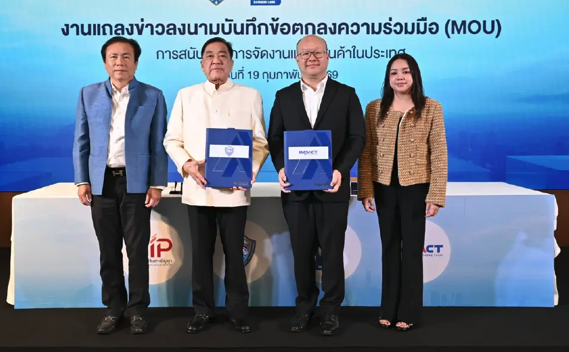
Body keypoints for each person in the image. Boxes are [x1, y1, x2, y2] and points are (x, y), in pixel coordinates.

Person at [164, 36, 269, 334]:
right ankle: (202, 310)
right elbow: (172, 140)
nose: (216, 60)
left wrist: (249, 171)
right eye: (210, 55)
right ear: (202, 64)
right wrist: (186, 164)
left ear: (232, 63)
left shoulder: (250, 95)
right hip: (198, 190)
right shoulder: (186, 95)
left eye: (223, 55)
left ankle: (238, 312)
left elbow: (260, 142)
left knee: (236, 255)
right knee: (201, 254)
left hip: (235, 191)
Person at [267, 35, 365, 336]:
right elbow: (274, 138)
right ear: (297, 59)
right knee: (302, 252)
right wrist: (281, 167)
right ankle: (304, 308)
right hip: (296, 191)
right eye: (305, 53)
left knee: (332, 253)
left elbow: (357, 138)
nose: (312, 57)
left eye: (318, 52)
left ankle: (331, 310)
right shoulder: (283, 96)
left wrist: (340, 170)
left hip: (332, 188)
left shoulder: (346, 94)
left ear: (328, 57)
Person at [73, 36, 168, 334]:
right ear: (105, 63)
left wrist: (157, 183)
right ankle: (114, 308)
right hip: (101, 183)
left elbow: (158, 144)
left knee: (137, 250)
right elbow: (81, 141)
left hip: (136, 183)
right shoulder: (88, 94)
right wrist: (82, 180)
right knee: (108, 250)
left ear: (136, 63)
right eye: (113, 57)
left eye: (126, 56)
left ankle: (137, 310)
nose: (119, 62)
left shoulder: (153, 95)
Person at [357, 53, 448, 331]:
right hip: (384, 188)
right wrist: (366, 189)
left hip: (416, 188)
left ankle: (408, 311)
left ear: (414, 75)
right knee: (388, 247)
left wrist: (436, 195)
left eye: (405, 72)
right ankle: (388, 308)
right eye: (394, 72)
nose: (400, 77)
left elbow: (439, 153)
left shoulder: (430, 108)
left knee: (411, 250)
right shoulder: (374, 108)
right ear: (388, 78)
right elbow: (366, 151)